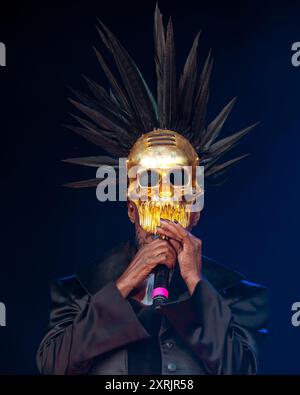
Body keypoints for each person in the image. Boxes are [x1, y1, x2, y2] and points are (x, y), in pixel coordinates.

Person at [37, 5, 268, 375]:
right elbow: (53, 366)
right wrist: (127, 281)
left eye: (176, 183)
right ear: (130, 207)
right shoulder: (78, 291)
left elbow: (240, 369)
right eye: (148, 182)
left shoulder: (237, 294)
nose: (162, 199)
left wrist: (195, 283)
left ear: (195, 210)